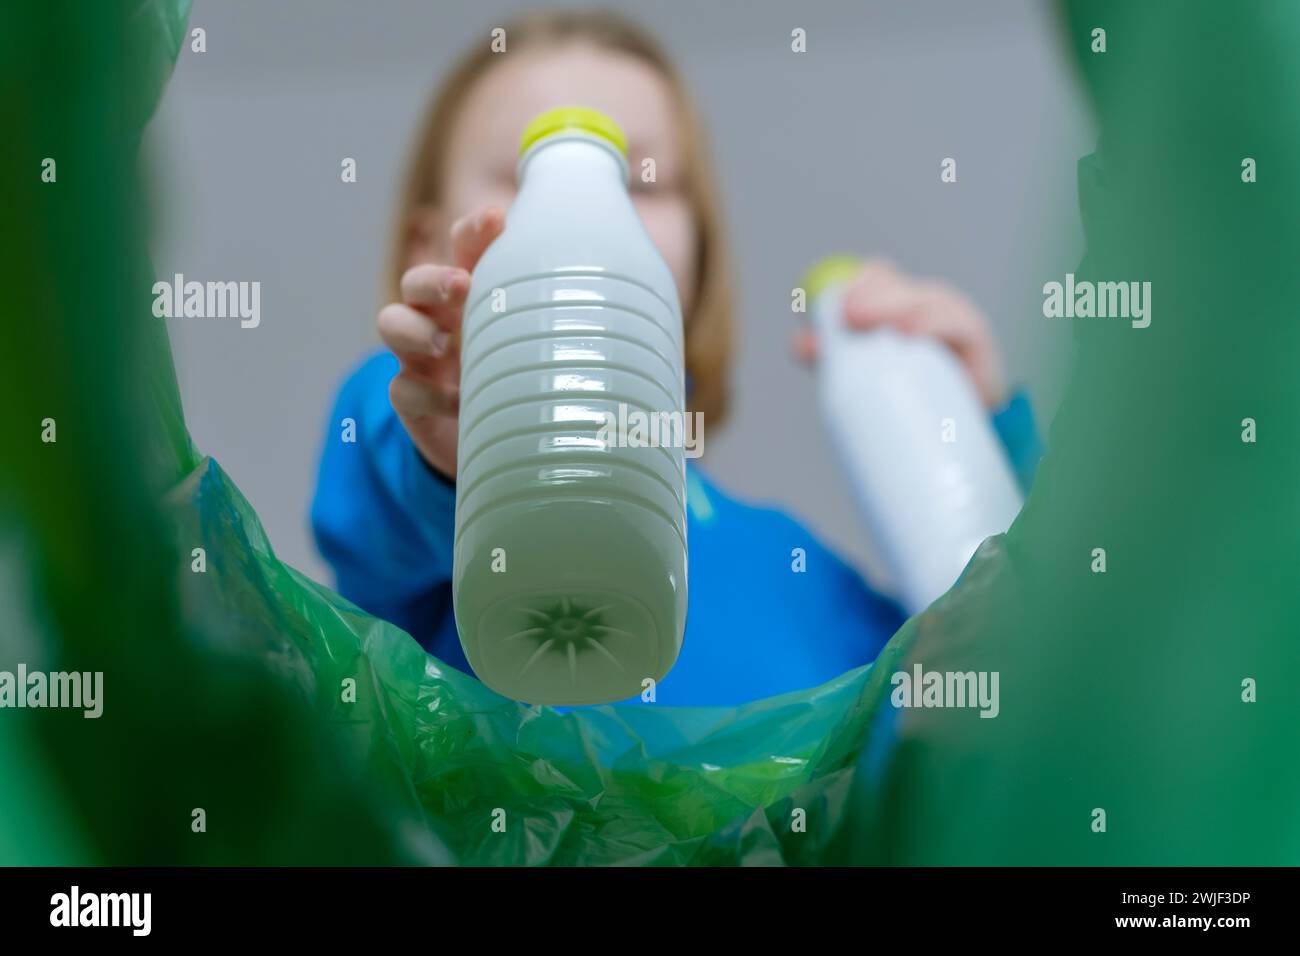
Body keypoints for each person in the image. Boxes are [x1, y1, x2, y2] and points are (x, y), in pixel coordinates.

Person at [311, 9, 1041, 707]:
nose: (592, 206)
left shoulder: (801, 576)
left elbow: (1016, 674)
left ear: (695, 261)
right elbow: (376, 499)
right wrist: (455, 454)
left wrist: (993, 454)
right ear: (427, 244)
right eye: (529, 172)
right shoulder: (403, 450)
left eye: (643, 181)